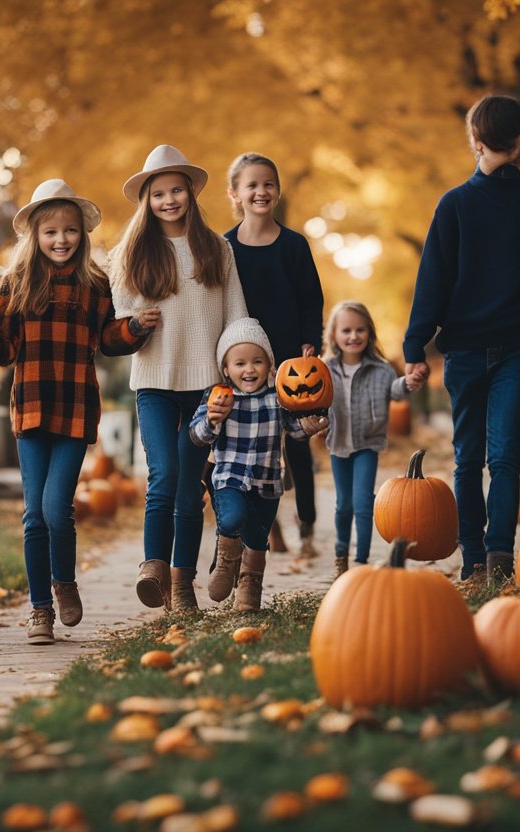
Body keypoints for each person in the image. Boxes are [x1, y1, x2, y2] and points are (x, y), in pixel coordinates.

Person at [0, 179, 158, 645]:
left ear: (81, 235)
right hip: (30, 408)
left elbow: (107, 339)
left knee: (57, 509)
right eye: (50, 232)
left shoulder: (95, 284)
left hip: (74, 409)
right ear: (35, 235)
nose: (61, 239)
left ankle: (64, 582)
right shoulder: (17, 282)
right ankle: (40, 610)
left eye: (69, 230)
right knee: (34, 515)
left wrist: (134, 326)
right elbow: (5, 345)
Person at [403, 94, 520, 582]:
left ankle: (481, 558)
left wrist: (416, 345)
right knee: (503, 459)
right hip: (514, 351)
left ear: (475, 141)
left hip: (475, 350)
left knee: (471, 459)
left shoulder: (458, 204)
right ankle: (493, 555)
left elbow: (432, 281)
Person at [110, 145, 249, 611]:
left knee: (190, 489)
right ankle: (153, 568)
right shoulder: (131, 252)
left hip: (206, 387)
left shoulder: (216, 248)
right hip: (154, 381)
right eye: (158, 194)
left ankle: (182, 582)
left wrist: (236, 374)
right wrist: (136, 323)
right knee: (163, 475)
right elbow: (119, 318)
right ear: (146, 201)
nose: (168, 200)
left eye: (176, 191)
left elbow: (236, 316)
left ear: (190, 192)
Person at [224, 152, 325, 556]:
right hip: (244, 362)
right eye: (251, 185)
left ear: (278, 191)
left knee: (297, 446)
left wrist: (310, 341)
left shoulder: (294, 245)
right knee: (249, 443)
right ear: (235, 194)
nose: (261, 191)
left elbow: (311, 300)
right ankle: (268, 527)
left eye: (268, 184)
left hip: (289, 361)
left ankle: (306, 526)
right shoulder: (225, 247)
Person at [191, 318, 327, 610]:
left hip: (267, 482)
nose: (249, 369)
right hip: (229, 478)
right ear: (226, 369)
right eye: (239, 363)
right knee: (232, 518)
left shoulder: (278, 397)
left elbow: (294, 430)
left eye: (257, 361)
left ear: (269, 365)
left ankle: (250, 587)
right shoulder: (218, 397)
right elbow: (198, 435)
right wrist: (212, 420)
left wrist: (309, 427)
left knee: (256, 537)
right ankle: (226, 561)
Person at [323, 301, 418, 578]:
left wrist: (408, 382)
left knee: (363, 504)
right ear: (334, 335)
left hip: (368, 443)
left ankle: (361, 561)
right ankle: (341, 554)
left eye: (360, 330)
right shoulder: (325, 369)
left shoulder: (381, 369)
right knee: (344, 505)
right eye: (346, 330)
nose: (354, 336)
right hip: (339, 443)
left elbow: (395, 391)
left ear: (369, 332)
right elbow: (312, 396)